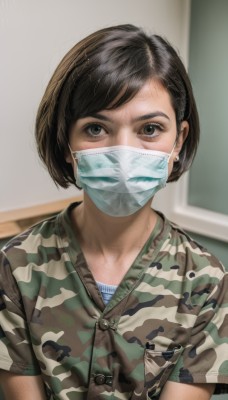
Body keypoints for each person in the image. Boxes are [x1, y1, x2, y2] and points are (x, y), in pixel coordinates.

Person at [0, 24, 227, 400]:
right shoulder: (15, 267)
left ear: (178, 141)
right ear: (66, 142)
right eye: (95, 129)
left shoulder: (205, 282)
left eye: (150, 129)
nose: (123, 153)